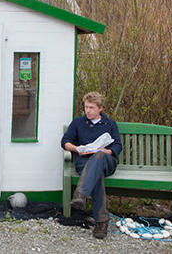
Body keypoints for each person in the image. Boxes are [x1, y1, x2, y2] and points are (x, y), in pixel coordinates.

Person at [60, 91, 122, 239]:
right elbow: (65, 141)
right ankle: (101, 222)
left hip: (106, 160)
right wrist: (77, 149)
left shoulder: (110, 124)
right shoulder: (78, 122)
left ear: (100, 108)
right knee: (96, 174)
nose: (88, 110)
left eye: (92, 107)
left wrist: (106, 151)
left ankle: (81, 194)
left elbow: (118, 146)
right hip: (84, 161)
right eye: (86, 107)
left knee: (99, 156)